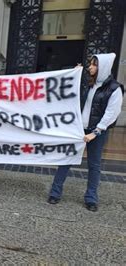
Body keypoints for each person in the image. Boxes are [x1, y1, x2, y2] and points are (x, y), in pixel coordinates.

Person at [48, 53, 124, 212]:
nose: (90, 67)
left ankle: (91, 198)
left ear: (102, 67)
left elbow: (111, 113)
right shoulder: (89, 84)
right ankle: (55, 193)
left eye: (94, 65)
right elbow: (68, 90)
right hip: (78, 129)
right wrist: (73, 73)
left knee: (94, 165)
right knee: (66, 160)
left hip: (97, 131)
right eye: (90, 64)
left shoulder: (114, 89)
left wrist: (95, 132)